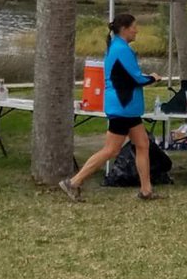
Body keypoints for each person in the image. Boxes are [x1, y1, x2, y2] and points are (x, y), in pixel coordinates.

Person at [59, 13, 162, 201]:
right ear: (124, 29)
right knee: (111, 150)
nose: (136, 30)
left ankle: (146, 190)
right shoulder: (121, 49)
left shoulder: (117, 47)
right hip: (122, 106)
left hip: (127, 107)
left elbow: (127, 75)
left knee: (142, 144)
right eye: (134, 27)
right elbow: (135, 78)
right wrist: (153, 78)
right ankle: (73, 182)